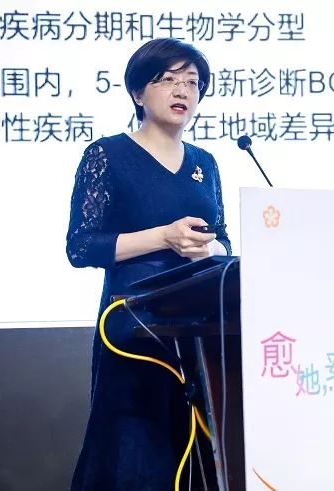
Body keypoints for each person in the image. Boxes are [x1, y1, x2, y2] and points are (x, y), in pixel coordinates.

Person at [65, 38, 231, 490]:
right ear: (138, 92)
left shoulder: (205, 163)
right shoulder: (107, 155)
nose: (182, 91)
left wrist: (211, 251)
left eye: (192, 83)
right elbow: (82, 246)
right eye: (168, 80)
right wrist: (163, 237)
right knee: (134, 448)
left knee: (198, 449)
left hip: (197, 329)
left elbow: (223, 241)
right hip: (134, 325)